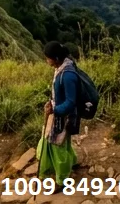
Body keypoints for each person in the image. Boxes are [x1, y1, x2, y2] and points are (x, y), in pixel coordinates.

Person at [39, 41, 80, 180]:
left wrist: (54, 110)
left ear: (56, 59)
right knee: (63, 142)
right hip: (59, 111)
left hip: (63, 116)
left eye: (48, 57)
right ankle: (72, 162)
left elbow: (70, 102)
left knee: (57, 145)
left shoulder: (68, 76)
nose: (46, 60)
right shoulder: (62, 67)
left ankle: (62, 179)